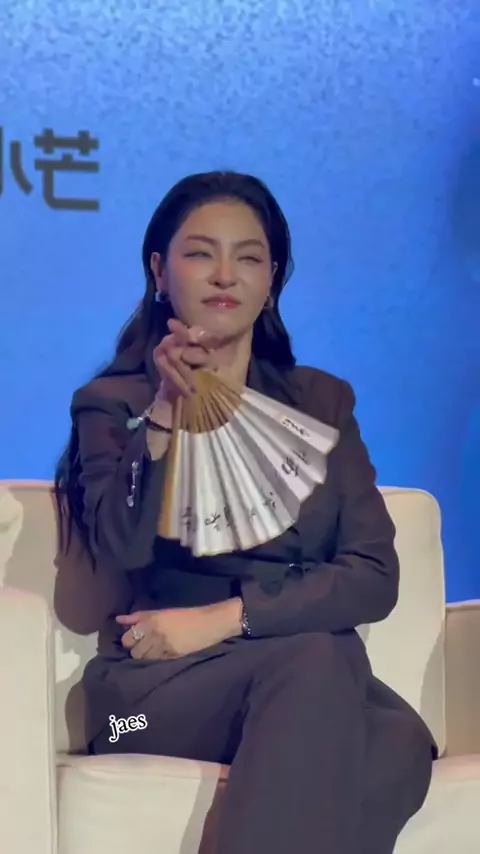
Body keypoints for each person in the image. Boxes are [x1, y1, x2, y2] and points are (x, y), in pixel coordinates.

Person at [55, 170, 436, 854]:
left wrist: (226, 618)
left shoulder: (321, 403)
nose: (225, 274)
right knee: (327, 670)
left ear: (272, 280)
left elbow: (375, 576)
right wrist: (165, 416)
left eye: (250, 257)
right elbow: (118, 546)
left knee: (398, 738)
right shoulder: (114, 404)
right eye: (201, 253)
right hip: (141, 705)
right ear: (159, 271)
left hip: (293, 677)